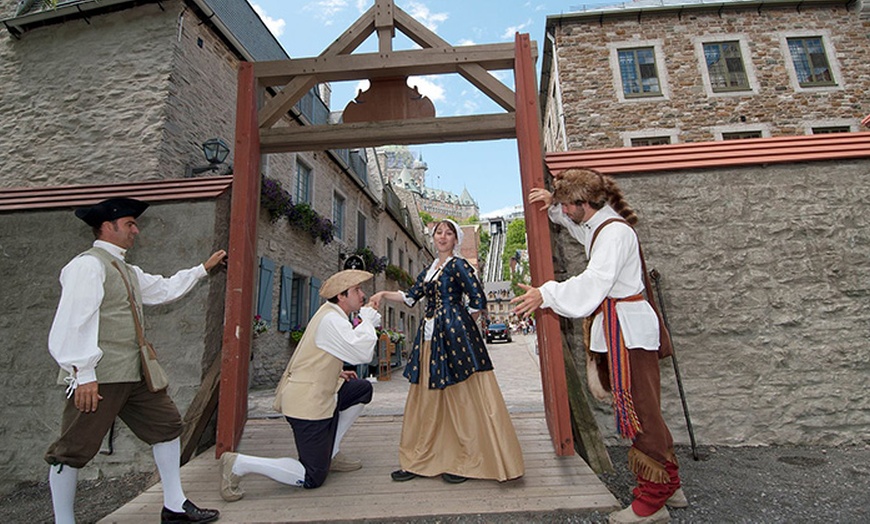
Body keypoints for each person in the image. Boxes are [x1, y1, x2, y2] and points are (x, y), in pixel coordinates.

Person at [511, 168, 685, 524]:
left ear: (582, 203)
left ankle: (652, 504)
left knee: (640, 411)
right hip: (625, 329)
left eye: (565, 204)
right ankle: (668, 483)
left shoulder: (614, 234)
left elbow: (596, 281)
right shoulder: (601, 224)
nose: (563, 208)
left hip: (629, 335)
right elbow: (580, 228)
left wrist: (546, 293)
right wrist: (553, 207)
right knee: (646, 407)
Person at [45, 197, 225, 524]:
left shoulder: (125, 268)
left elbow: (162, 289)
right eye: (129, 224)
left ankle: (174, 505)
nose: (135, 230)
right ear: (107, 226)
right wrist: (83, 373)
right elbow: (73, 323)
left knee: (167, 426)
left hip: (135, 373)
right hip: (100, 378)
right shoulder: (87, 266)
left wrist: (202, 270)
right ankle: (64, 521)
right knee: (70, 451)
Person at [370, 219, 524, 484]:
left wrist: (462, 326)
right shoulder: (430, 269)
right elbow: (410, 296)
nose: (442, 237)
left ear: (456, 240)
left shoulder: (459, 265)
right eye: (438, 232)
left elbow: (478, 300)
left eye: (448, 233)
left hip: (454, 338)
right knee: (426, 400)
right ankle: (420, 459)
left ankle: (466, 460)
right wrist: (383, 293)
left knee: (461, 398)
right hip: (429, 337)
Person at [219, 269, 381, 500]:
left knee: (361, 389)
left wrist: (336, 373)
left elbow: (324, 355)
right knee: (313, 477)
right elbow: (361, 352)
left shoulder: (332, 315)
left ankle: (331, 452)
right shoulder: (331, 320)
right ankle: (239, 464)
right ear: (341, 296)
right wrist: (368, 321)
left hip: (320, 394)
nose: (362, 295)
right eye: (356, 290)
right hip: (307, 405)